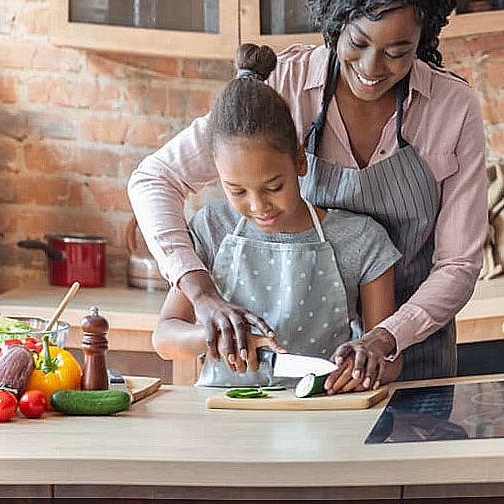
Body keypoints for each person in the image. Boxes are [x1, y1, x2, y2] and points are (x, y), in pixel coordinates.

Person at [130, 0, 487, 384]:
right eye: (357, 43)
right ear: (335, 21)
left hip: (410, 354)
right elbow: (155, 178)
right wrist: (200, 293)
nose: (372, 69)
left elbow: (459, 264)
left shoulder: (452, 108)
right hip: (290, 365)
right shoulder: (285, 84)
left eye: (398, 51)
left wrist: (385, 338)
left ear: (426, 38)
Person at [152, 44, 403, 392]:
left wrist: (367, 365)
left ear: (299, 160)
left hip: (325, 423)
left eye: (273, 186)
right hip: (226, 422)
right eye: (237, 191)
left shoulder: (361, 239)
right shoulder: (212, 229)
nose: (258, 206)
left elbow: (390, 361)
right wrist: (213, 335)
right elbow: (164, 337)